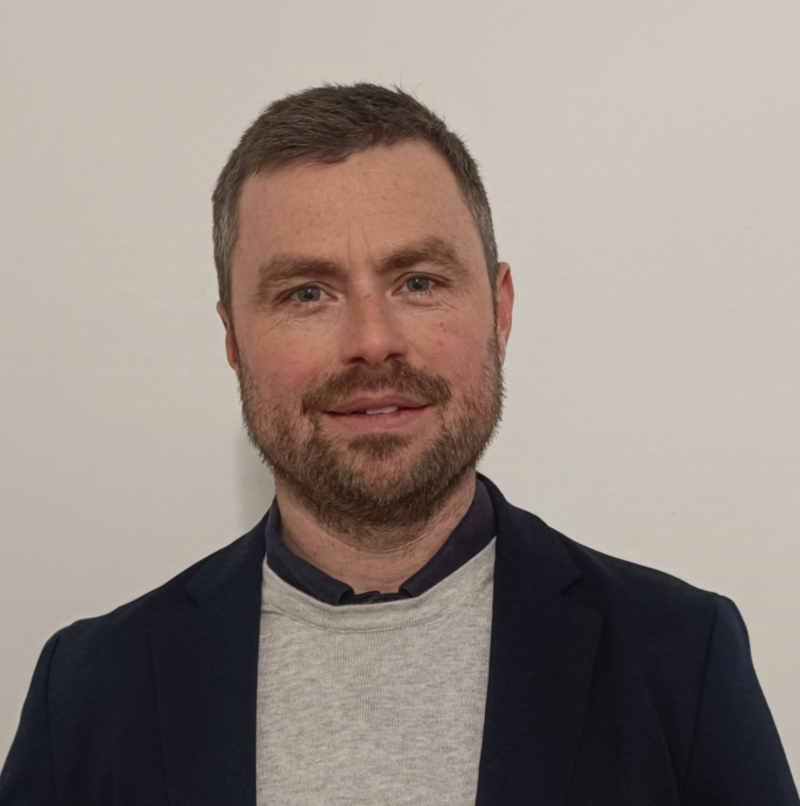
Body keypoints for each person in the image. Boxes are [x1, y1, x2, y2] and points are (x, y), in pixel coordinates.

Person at [0, 83, 797, 806]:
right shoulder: (88, 689)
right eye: (306, 293)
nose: (372, 341)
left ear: (500, 311)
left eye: (418, 281)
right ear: (233, 339)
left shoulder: (681, 658)